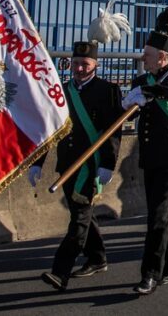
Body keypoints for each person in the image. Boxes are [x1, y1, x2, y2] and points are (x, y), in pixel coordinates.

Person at [32, 39, 123, 291]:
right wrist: (37, 163)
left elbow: (114, 132)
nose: (80, 69)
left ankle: (60, 272)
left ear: (96, 64)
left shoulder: (108, 90)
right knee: (81, 214)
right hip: (67, 166)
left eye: (85, 64)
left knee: (80, 219)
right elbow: (50, 131)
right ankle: (98, 257)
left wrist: (108, 164)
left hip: (90, 167)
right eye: (75, 64)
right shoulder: (62, 90)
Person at [121, 8, 168, 295]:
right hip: (150, 156)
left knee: (157, 216)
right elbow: (129, 112)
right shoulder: (141, 83)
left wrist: (148, 94)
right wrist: (126, 105)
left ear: (162, 57)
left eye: (147, 55)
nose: (142, 59)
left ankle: (151, 273)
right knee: (161, 212)